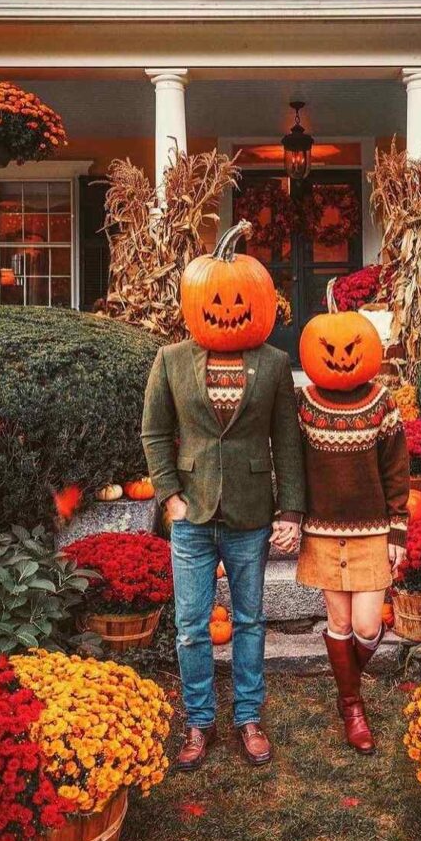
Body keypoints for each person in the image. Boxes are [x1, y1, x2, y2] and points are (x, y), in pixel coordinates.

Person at [142, 222, 305, 772]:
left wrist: (292, 510)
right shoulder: (170, 360)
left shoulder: (276, 364)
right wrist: (169, 498)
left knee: (251, 620)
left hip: (251, 513)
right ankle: (198, 721)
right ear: (196, 301)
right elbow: (155, 433)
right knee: (190, 625)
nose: (228, 307)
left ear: (260, 302)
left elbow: (287, 439)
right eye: (216, 299)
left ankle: (249, 718)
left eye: (239, 299)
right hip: (191, 512)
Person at [294, 293, 409, 754]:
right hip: (322, 530)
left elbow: (396, 471)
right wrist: (291, 517)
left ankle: (347, 683)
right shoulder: (302, 406)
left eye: (350, 348)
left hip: (372, 531)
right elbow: (292, 464)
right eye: (330, 350)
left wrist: (398, 528)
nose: (341, 358)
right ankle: (352, 705)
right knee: (339, 622)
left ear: (368, 347)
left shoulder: (383, 403)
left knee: (366, 627)